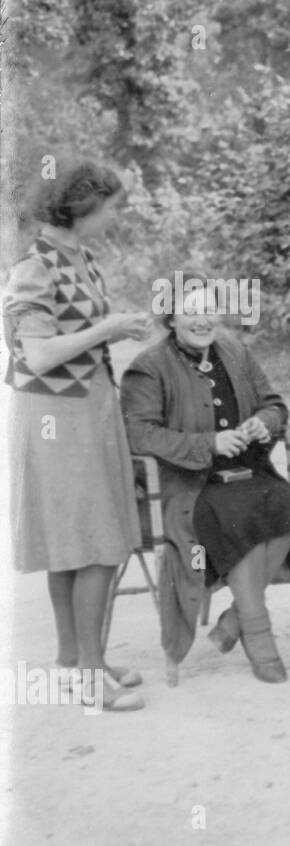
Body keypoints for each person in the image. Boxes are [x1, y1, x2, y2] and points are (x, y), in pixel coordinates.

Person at [3, 158, 154, 711]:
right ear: (82, 203)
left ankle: (77, 660)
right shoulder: (34, 265)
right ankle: (89, 675)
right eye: (111, 206)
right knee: (93, 542)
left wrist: (111, 330)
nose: (116, 216)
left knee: (79, 540)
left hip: (88, 406)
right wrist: (110, 328)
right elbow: (37, 354)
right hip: (56, 416)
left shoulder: (81, 256)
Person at [121, 285, 290, 686]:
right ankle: (259, 634)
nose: (203, 319)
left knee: (284, 504)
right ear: (170, 319)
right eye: (190, 311)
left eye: (209, 308)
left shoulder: (235, 352)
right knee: (234, 514)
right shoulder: (149, 366)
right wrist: (208, 444)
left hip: (249, 472)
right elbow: (139, 434)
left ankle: (234, 619)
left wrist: (267, 421)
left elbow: (276, 404)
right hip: (193, 487)